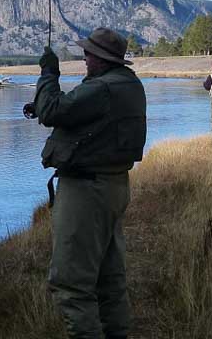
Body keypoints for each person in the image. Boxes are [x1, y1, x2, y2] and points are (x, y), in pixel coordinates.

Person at [29, 27, 147, 339]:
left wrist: (48, 72)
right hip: (113, 186)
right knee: (109, 280)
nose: (84, 58)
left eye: (89, 53)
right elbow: (86, 115)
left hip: (86, 192)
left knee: (71, 285)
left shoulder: (103, 89)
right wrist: (41, 105)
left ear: (103, 58)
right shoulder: (128, 84)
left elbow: (53, 110)